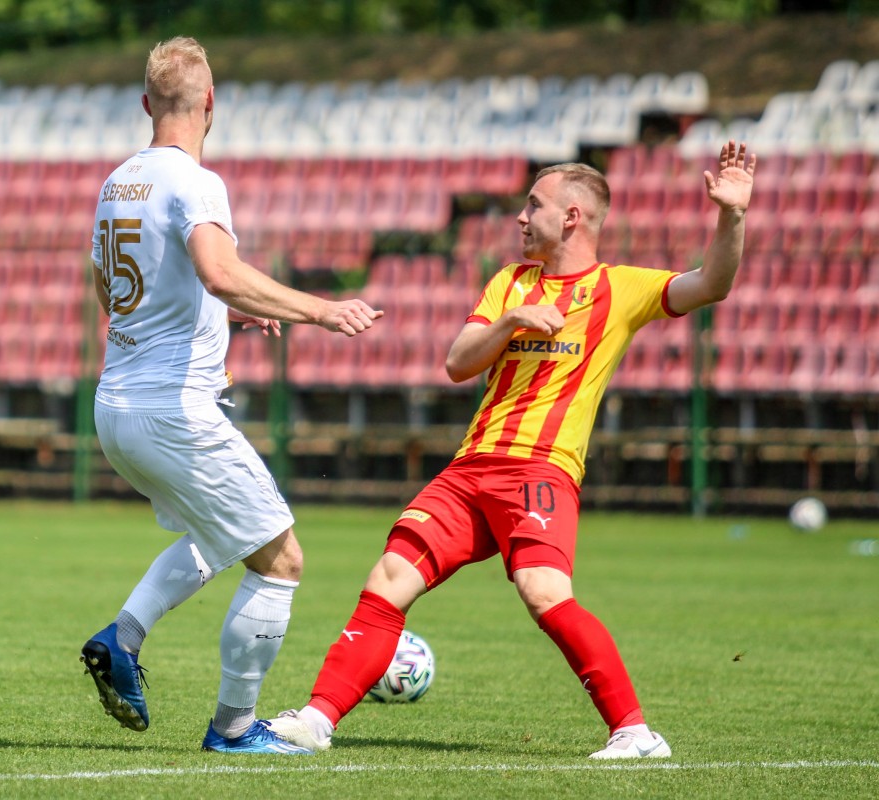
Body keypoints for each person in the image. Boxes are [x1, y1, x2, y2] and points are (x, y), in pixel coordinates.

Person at [265, 141, 757, 759]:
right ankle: (315, 720)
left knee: (543, 592)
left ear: (572, 217)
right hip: (469, 469)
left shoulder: (619, 289)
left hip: (540, 471)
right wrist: (512, 321)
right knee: (389, 576)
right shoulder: (510, 283)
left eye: (534, 205)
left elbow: (712, 283)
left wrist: (732, 214)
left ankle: (635, 733)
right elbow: (457, 363)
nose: (521, 217)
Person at [81, 36, 383, 755]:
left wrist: (221, 318)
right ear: (211, 103)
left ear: (146, 104)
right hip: (172, 410)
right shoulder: (196, 181)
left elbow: (113, 291)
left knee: (218, 537)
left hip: (116, 406)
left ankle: (121, 639)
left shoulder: (117, 183)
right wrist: (320, 309)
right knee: (280, 559)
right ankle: (235, 728)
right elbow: (218, 272)